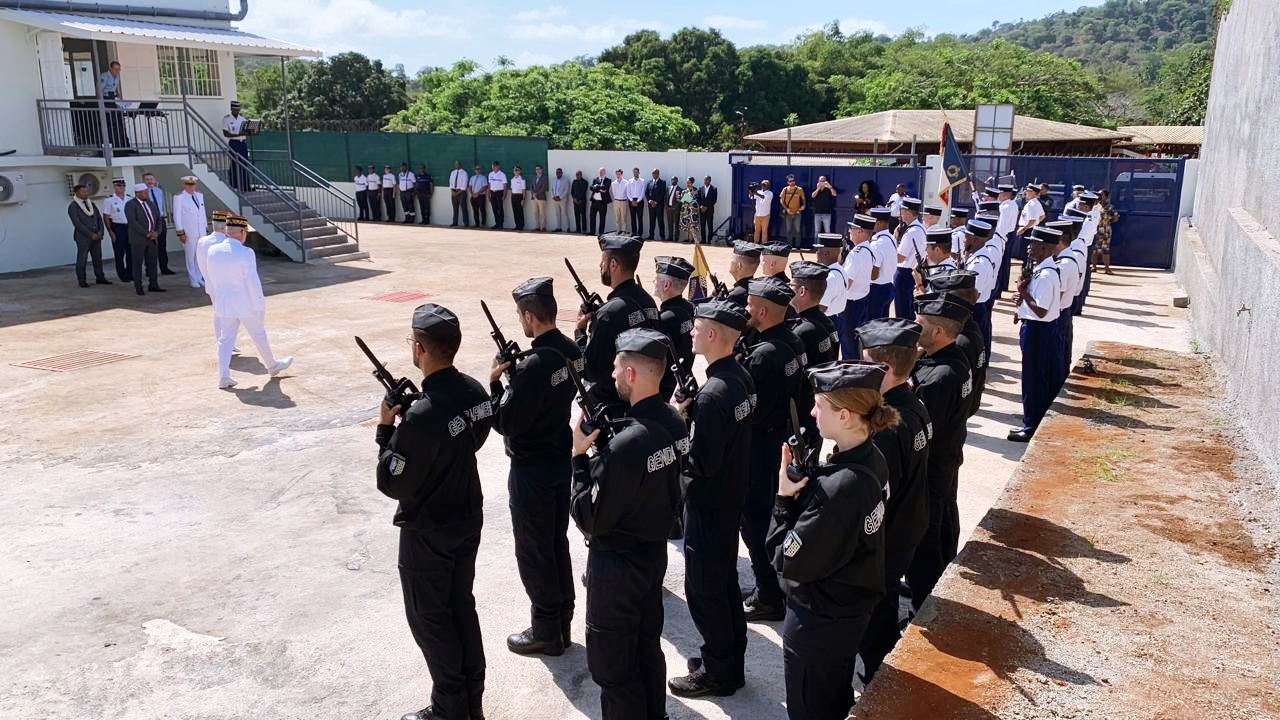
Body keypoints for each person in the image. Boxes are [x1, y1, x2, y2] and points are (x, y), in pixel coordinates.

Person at [375, 303, 491, 720]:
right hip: (466, 514)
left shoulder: (422, 417)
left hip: (430, 528)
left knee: (431, 618)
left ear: (420, 348)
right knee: (461, 605)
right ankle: (471, 699)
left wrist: (388, 429)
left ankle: (449, 709)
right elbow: (470, 437)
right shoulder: (477, 391)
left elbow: (393, 482)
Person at [767, 361, 895, 720]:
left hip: (819, 619)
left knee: (812, 707)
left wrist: (783, 499)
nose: (812, 411)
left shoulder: (840, 489)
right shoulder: (872, 457)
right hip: (847, 610)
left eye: (819, 405)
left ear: (844, 416)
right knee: (833, 696)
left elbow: (784, 556)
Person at [570, 329, 687, 720]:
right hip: (651, 556)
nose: (613, 375)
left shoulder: (627, 446)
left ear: (633, 373)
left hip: (616, 566)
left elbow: (590, 518)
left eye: (618, 368)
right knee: (645, 649)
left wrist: (579, 458)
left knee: (614, 669)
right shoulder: (672, 421)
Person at [489, 277, 583, 658]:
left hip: (531, 470)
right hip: (560, 460)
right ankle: (560, 620)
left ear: (530, 316)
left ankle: (546, 628)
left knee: (533, 550)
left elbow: (504, 422)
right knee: (555, 543)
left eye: (521, 317)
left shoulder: (531, 366)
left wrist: (497, 382)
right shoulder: (571, 351)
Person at [668, 299, 754, 698]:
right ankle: (728, 661)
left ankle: (718, 673)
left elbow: (699, 461)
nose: (690, 332)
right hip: (732, 495)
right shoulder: (739, 379)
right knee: (723, 585)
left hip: (709, 503)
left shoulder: (713, 394)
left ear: (714, 335)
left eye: (697, 327)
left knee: (705, 591)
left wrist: (678, 419)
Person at [855, 319, 931, 685]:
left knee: (874, 610)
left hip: (888, 536)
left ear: (883, 369)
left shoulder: (886, 425)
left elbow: (875, 496)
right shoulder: (912, 403)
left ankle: (876, 676)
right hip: (909, 524)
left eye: (863, 361)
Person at [740, 276, 805, 622]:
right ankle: (772, 587)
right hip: (782, 436)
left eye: (750, 306)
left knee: (754, 520)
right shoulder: (792, 341)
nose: (746, 310)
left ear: (763, 311)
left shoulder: (764, 355)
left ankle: (768, 594)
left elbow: (753, 409)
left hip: (762, 444)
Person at [903, 292, 972, 611]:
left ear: (939, 332)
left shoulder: (939, 376)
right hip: (946, 456)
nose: (915, 329)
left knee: (924, 538)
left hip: (932, 466)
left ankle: (924, 604)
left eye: (921, 325)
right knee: (943, 523)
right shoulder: (954, 357)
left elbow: (921, 428)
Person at [574, 233, 660, 413]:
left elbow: (590, 369)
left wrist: (580, 332)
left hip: (612, 407)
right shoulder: (648, 302)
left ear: (613, 265)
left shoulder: (609, 314)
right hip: (645, 399)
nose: (600, 266)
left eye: (603, 261)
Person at [205, 215, 293, 387]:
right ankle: (272, 365)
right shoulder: (245, 253)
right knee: (259, 334)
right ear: (242, 232)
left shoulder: (213, 251)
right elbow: (252, 282)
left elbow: (212, 277)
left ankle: (223, 376)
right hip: (245, 303)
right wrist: (259, 304)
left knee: (225, 340)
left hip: (223, 301)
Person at [652, 256, 696, 390]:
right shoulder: (689, 308)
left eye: (657, 279)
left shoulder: (665, 319)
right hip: (685, 379)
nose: (653, 282)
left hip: (666, 386)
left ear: (666, 285)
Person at [789, 262, 840, 371]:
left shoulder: (803, 330)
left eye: (791, 285)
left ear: (802, 291)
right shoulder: (827, 322)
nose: (788, 288)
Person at [841, 214, 879, 358]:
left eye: (853, 228)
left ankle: (851, 370)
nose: (850, 230)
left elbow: (847, 284)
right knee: (857, 339)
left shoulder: (855, 254)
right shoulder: (868, 250)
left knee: (848, 342)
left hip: (850, 304)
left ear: (861, 231)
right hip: (862, 299)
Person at [67, 184, 110, 288]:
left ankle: (100, 277)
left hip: (97, 236)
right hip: (83, 237)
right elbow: (77, 223)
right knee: (82, 259)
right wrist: (91, 234)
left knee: (97, 258)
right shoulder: (73, 206)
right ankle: (82, 280)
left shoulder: (92, 204)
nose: (86, 193)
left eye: (87, 191)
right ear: (76, 193)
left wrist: (101, 232)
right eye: (83, 192)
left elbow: (99, 218)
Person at [125, 182, 164, 296]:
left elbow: (158, 218)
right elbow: (133, 222)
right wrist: (146, 233)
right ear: (137, 193)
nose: (147, 194)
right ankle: (139, 287)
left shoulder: (151, 204)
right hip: (139, 239)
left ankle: (153, 284)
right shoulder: (130, 205)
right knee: (137, 263)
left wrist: (157, 232)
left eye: (147, 192)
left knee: (152, 262)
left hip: (152, 238)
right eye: (144, 192)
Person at [170, 175, 208, 288]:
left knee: (199, 256)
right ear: (184, 185)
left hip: (201, 231)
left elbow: (202, 213)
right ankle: (192, 279)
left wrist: (205, 228)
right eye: (188, 185)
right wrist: (180, 232)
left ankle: (199, 277)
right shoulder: (179, 197)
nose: (191, 187)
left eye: (193, 185)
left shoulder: (200, 195)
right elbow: (177, 216)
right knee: (190, 256)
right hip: (189, 232)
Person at [813, 234, 847, 350]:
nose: (816, 253)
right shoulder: (840, 269)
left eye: (818, 250)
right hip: (837, 319)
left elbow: (822, 307)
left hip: (828, 321)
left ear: (826, 253)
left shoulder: (830, 277)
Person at [893, 197, 925, 320]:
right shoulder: (921, 228)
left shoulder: (911, 232)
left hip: (904, 273)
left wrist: (895, 240)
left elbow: (900, 258)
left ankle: (905, 337)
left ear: (907, 212)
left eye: (902, 211)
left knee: (902, 312)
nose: (900, 214)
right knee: (909, 309)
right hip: (914, 272)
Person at [866, 207, 897, 321]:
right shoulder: (891, 238)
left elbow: (874, 275)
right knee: (883, 324)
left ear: (878, 223)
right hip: (889, 286)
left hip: (876, 289)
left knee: (873, 325)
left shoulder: (877, 244)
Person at [142, 173, 174, 276]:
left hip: (160, 220)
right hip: (149, 221)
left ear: (155, 180)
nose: (150, 181)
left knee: (162, 245)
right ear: (144, 181)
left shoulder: (159, 191)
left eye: (151, 179)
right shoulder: (143, 193)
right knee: (150, 247)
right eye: (147, 179)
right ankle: (149, 270)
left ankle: (164, 268)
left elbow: (162, 206)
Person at [104, 177, 131, 282]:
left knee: (130, 252)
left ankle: (130, 273)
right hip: (117, 227)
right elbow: (106, 216)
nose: (122, 188)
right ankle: (122, 274)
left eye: (123, 186)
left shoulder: (129, 198)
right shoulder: (109, 200)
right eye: (119, 186)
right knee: (119, 253)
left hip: (129, 227)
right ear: (114, 187)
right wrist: (110, 232)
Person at [222, 101, 253, 191]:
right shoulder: (227, 119)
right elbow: (226, 133)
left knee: (244, 163)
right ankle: (235, 185)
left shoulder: (242, 119)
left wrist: (249, 132)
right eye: (235, 109)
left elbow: (246, 131)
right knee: (235, 163)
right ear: (231, 109)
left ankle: (246, 186)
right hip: (234, 143)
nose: (237, 111)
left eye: (238, 110)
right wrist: (238, 134)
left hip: (242, 143)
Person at [725, 241, 761, 307]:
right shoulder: (759, 290)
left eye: (732, 260)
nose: (730, 262)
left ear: (739, 266)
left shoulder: (734, 297)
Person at [1092, 189, 1118, 274]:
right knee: (1094, 250)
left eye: (1101, 195)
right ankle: (1094, 267)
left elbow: (1116, 217)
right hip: (1094, 230)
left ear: (1106, 197)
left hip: (1105, 231)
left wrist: (1107, 222)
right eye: (1099, 194)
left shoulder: (1109, 207)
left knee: (1105, 249)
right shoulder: (1094, 206)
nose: (1099, 196)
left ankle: (1107, 268)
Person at [779, 175, 806, 249]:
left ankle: (798, 246)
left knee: (798, 230)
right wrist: (787, 209)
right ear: (788, 182)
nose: (792, 182)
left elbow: (803, 198)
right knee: (788, 230)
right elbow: (781, 200)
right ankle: (789, 246)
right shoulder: (785, 189)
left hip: (797, 213)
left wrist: (803, 205)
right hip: (788, 213)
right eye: (790, 181)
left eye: (793, 181)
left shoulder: (799, 189)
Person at [644, 169, 666, 241]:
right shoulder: (649, 182)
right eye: (653, 173)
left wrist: (656, 202)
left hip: (659, 205)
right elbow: (646, 193)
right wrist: (650, 201)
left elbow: (662, 194)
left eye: (655, 173)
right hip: (651, 205)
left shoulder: (662, 182)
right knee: (652, 220)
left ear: (658, 174)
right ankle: (651, 235)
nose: (654, 174)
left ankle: (662, 236)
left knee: (660, 221)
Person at [749, 180, 773, 244]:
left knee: (764, 231)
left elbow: (763, 197)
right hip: (757, 215)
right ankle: (755, 243)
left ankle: (764, 244)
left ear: (768, 186)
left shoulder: (770, 193)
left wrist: (755, 193)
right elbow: (751, 197)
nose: (763, 186)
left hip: (765, 215)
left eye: (765, 185)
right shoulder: (758, 191)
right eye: (762, 184)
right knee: (756, 230)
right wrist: (751, 190)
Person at [589, 168, 611, 235]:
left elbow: (606, 188)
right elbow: (591, 187)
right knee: (592, 217)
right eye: (600, 172)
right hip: (594, 201)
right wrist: (599, 189)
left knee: (602, 218)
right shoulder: (595, 179)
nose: (601, 173)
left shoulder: (608, 180)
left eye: (602, 172)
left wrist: (597, 188)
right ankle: (592, 232)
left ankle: (601, 233)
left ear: (605, 172)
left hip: (602, 202)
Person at [448, 161, 469, 227]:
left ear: (460, 165)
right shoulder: (453, 172)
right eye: (455, 164)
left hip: (461, 192)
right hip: (453, 192)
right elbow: (450, 182)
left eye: (457, 164)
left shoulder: (464, 173)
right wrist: (452, 191)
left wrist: (457, 193)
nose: (456, 165)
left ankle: (466, 223)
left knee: (463, 208)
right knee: (455, 208)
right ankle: (455, 222)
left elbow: (464, 185)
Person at [698, 176, 718, 244]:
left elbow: (714, 200)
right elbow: (698, 199)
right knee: (702, 225)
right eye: (705, 180)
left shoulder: (714, 189)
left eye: (708, 180)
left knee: (710, 225)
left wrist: (706, 207)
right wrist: (701, 206)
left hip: (709, 210)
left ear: (710, 181)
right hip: (702, 210)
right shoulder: (701, 188)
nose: (706, 181)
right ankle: (703, 240)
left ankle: (709, 240)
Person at [488, 162, 508, 229]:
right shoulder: (490, 174)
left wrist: (504, 195)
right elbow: (489, 185)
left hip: (499, 193)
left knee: (500, 208)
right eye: (493, 166)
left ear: (498, 166)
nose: (493, 167)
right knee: (494, 209)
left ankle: (501, 224)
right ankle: (497, 223)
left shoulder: (502, 174)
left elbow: (505, 185)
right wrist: (489, 195)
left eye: (495, 166)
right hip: (492, 193)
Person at [529, 165, 549, 232]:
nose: (537, 170)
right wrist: (533, 194)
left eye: (538, 169)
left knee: (542, 213)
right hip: (533, 198)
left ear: (541, 170)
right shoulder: (534, 178)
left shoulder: (544, 178)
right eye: (536, 169)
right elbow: (531, 187)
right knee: (535, 213)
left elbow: (544, 187)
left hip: (541, 197)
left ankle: (543, 227)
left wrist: (537, 193)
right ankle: (537, 227)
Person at [626, 167, 645, 236]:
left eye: (636, 172)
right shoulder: (629, 181)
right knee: (633, 218)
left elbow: (642, 193)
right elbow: (628, 192)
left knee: (640, 218)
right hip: (631, 201)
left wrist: (637, 201)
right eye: (634, 172)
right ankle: (634, 233)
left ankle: (640, 234)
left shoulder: (642, 181)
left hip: (639, 201)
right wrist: (632, 201)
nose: (635, 173)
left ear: (639, 173)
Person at [609, 169, 629, 234]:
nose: (618, 175)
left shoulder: (626, 182)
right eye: (617, 174)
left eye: (619, 174)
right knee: (617, 218)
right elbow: (614, 193)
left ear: (621, 174)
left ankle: (623, 232)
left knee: (624, 218)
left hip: (623, 201)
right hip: (616, 201)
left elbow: (627, 192)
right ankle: (617, 231)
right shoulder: (613, 183)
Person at [551, 167, 569, 232]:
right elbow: (552, 189)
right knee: (557, 214)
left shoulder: (565, 180)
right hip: (555, 199)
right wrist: (553, 196)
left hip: (562, 199)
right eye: (557, 172)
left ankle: (567, 228)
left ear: (562, 173)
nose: (558, 174)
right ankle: (558, 227)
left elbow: (566, 190)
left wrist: (560, 197)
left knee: (564, 213)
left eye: (559, 172)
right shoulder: (553, 180)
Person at [509, 166, 526, 231]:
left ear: (519, 171)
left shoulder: (522, 179)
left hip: (519, 196)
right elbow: (512, 189)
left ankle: (521, 226)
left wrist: (523, 199)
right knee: (515, 211)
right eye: (515, 170)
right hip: (513, 196)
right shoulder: (512, 179)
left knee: (520, 211)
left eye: (517, 170)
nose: (516, 171)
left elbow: (523, 190)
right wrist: (511, 197)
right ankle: (517, 225)